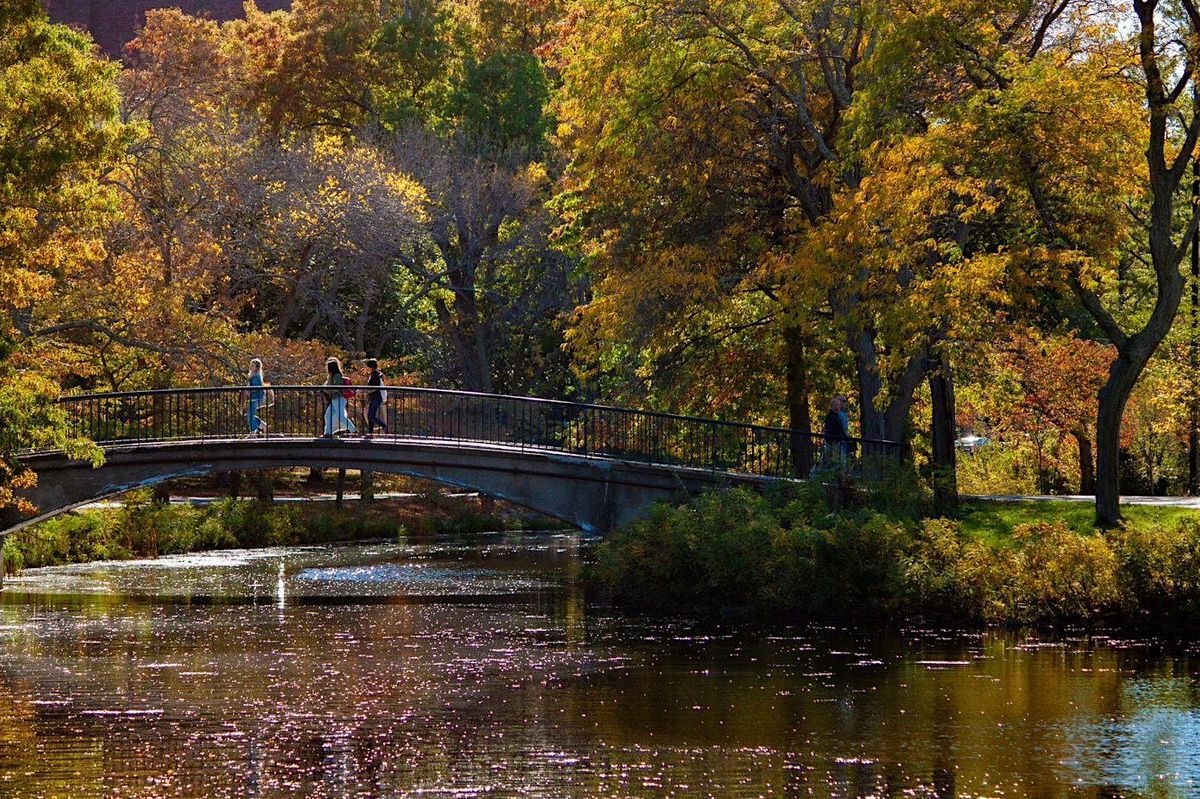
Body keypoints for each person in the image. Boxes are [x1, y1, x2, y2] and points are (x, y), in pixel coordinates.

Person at [323, 357, 357, 437]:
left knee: (341, 417)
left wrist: (328, 390)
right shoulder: (330, 377)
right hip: (334, 399)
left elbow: (337, 388)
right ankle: (327, 433)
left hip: (339, 398)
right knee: (328, 415)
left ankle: (353, 431)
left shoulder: (337, 376)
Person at [822, 395, 850, 466]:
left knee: (837, 457)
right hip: (834, 440)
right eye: (844, 401)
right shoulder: (833, 416)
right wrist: (841, 436)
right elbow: (836, 428)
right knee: (832, 457)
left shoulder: (840, 414)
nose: (845, 403)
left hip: (839, 440)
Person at [364, 358, 389, 438]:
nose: (367, 368)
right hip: (374, 397)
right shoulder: (375, 374)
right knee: (370, 416)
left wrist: (369, 391)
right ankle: (370, 433)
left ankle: (383, 425)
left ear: (371, 367)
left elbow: (376, 387)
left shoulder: (375, 375)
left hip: (376, 397)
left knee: (371, 416)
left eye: (368, 366)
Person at [247, 358, 267, 436]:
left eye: (252, 365)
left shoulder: (256, 376)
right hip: (252, 397)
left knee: (250, 415)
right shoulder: (252, 375)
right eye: (250, 365)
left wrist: (248, 390)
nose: (250, 367)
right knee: (250, 415)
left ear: (257, 367)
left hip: (256, 398)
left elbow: (256, 388)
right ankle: (262, 424)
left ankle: (253, 433)